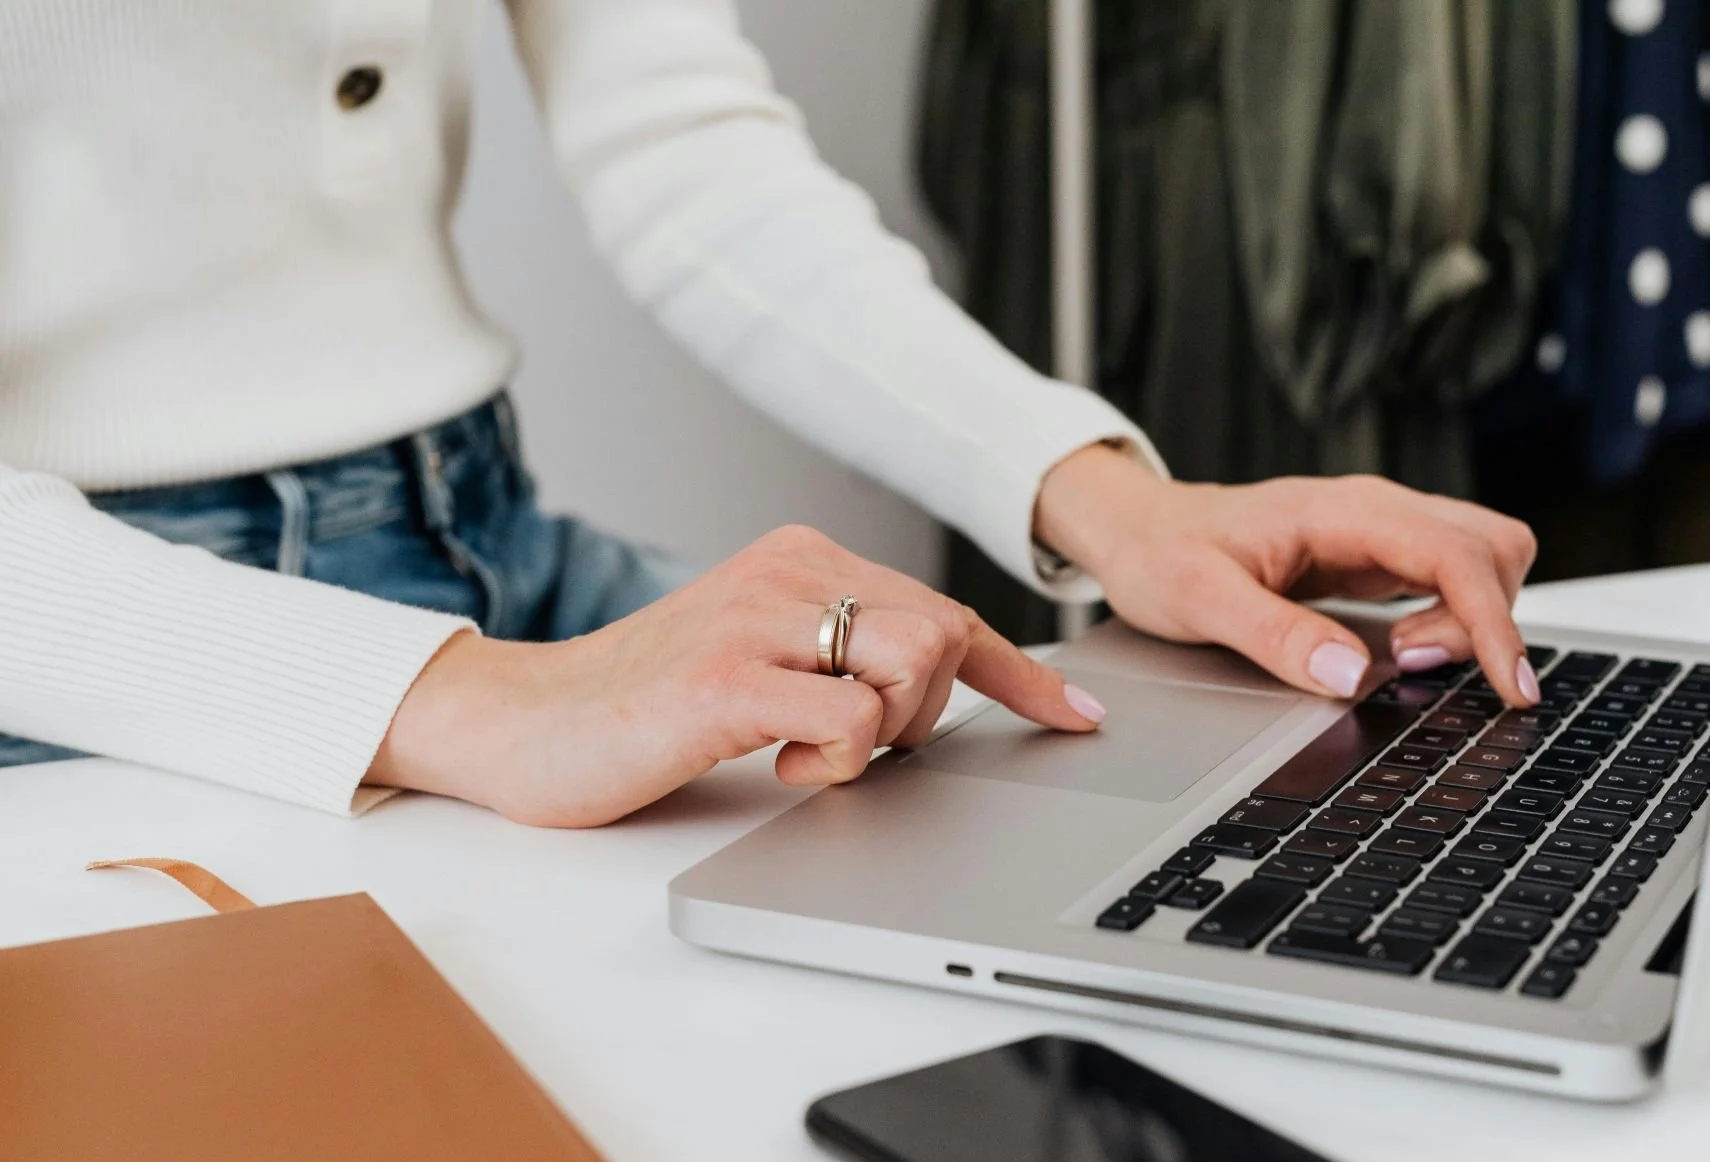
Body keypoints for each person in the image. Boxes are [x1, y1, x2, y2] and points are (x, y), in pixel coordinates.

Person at [0, 0, 1539, 829]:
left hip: (487, 538)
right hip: (89, 647)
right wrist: (484, 706)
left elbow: (684, 147)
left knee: (1089, 836)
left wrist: (1106, 496)